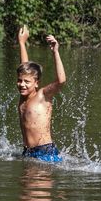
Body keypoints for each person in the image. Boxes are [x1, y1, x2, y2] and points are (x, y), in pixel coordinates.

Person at [17, 25, 66, 162]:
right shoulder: (23, 96)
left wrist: (55, 52)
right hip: (28, 153)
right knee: (25, 183)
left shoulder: (42, 96)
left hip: (45, 153)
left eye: (27, 82)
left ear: (36, 83)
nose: (22, 84)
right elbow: (24, 66)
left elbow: (61, 81)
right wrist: (22, 42)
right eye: (19, 81)